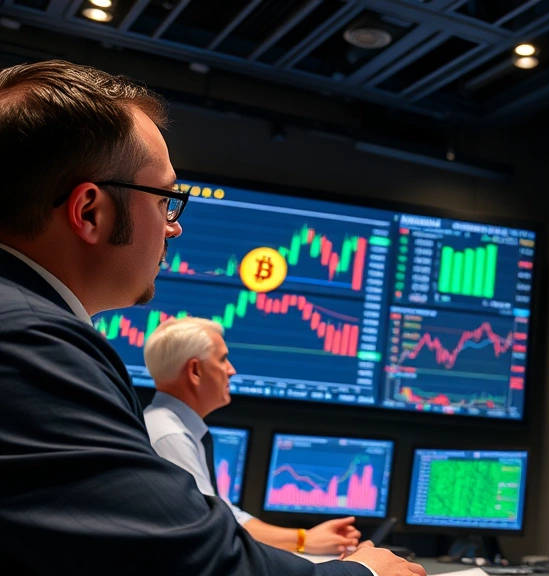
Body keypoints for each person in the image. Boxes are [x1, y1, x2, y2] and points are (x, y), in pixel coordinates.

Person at [0, 59, 424, 576]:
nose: (173, 230)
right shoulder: (29, 342)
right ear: (90, 211)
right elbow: (189, 562)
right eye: (167, 201)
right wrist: (370, 574)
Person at [143, 317, 363, 556]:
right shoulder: (169, 435)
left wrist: (305, 538)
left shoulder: (173, 426)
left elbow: (227, 515)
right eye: (223, 359)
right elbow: (214, 529)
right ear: (195, 370)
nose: (232, 370)